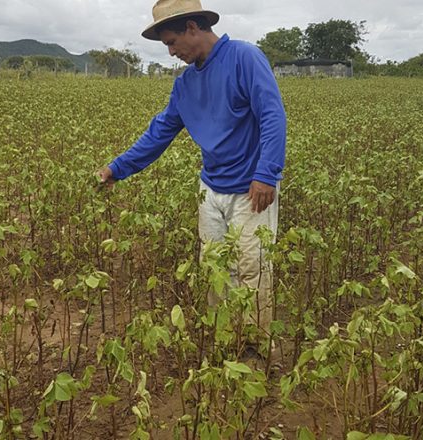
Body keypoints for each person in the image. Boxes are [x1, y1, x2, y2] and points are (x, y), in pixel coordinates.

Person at [96, 0, 286, 349]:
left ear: (193, 28)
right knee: (215, 268)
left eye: (171, 42)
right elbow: (159, 133)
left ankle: (258, 349)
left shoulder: (244, 58)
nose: (171, 52)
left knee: (252, 269)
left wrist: (267, 174)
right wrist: (116, 168)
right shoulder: (184, 84)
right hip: (210, 189)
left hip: (251, 188)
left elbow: (272, 115)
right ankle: (226, 341)